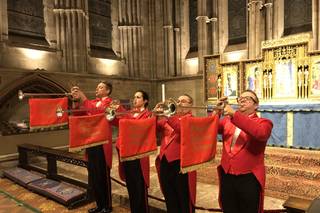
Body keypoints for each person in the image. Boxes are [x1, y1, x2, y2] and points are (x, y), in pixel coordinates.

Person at [215, 90, 273, 213]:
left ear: (256, 105)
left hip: (249, 178)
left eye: (247, 98)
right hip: (227, 175)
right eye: (240, 98)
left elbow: (260, 134)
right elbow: (211, 128)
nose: (242, 100)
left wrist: (234, 114)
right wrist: (217, 111)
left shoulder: (264, 123)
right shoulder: (227, 120)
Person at [71, 81, 113, 213]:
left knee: (102, 176)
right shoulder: (93, 102)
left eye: (100, 87)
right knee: (94, 176)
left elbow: (99, 113)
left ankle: (107, 206)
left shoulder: (110, 103)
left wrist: (84, 99)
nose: (97, 88)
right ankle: (99, 205)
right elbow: (78, 115)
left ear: (108, 91)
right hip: (91, 142)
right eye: (97, 86)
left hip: (102, 143)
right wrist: (76, 101)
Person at [154, 94, 197, 213]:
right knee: (169, 195)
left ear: (190, 105)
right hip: (165, 161)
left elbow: (180, 128)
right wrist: (155, 114)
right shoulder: (170, 118)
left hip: (181, 164)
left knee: (183, 197)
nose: (179, 103)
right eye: (178, 101)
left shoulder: (192, 119)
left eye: (183, 101)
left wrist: (168, 115)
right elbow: (153, 128)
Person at [116, 90, 152, 213]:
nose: (135, 99)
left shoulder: (148, 115)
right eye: (134, 97)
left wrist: (122, 112)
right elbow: (116, 123)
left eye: (138, 97)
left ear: (145, 101)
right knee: (131, 186)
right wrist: (116, 112)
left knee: (139, 188)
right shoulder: (131, 113)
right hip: (127, 154)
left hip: (139, 156)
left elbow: (138, 128)